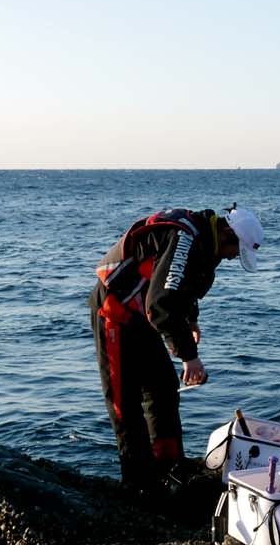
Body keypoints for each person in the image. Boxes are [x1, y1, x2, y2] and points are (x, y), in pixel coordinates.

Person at [89, 204, 264, 494]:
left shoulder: (205, 242)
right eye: (236, 250)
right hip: (115, 313)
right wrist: (189, 357)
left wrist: (190, 320)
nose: (234, 257)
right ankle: (138, 483)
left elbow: (182, 286)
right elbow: (161, 304)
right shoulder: (185, 240)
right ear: (226, 232)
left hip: (144, 316)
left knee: (163, 389)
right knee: (124, 401)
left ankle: (169, 467)